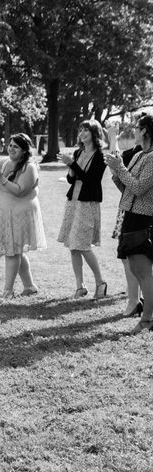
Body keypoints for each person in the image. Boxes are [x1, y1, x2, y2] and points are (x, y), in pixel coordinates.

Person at [105, 113, 153, 333]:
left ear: (144, 130)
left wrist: (120, 169)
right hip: (129, 215)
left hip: (143, 219)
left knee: (143, 271)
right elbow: (125, 186)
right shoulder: (139, 155)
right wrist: (116, 169)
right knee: (135, 267)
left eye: (137, 127)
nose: (134, 131)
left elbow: (140, 188)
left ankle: (147, 320)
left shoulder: (152, 157)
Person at [0, 133, 46, 300]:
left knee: (13, 252)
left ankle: (8, 291)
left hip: (21, 213)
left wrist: (2, 179)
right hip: (4, 211)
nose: (11, 148)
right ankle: (29, 286)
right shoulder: (4, 162)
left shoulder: (29, 167)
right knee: (15, 250)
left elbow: (20, 191)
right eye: (10, 145)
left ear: (24, 150)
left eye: (16, 146)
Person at [56, 119, 108, 299]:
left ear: (95, 134)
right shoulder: (78, 152)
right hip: (74, 202)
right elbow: (72, 179)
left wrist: (72, 164)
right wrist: (70, 167)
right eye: (81, 130)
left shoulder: (101, 155)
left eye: (86, 130)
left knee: (83, 245)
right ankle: (80, 287)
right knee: (73, 246)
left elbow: (91, 179)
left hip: (88, 204)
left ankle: (100, 282)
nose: (82, 133)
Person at [108, 125, 143, 316]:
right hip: (127, 209)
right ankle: (134, 298)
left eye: (139, 127)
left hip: (142, 213)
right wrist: (112, 138)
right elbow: (115, 165)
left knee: (138, 259)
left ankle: (136, 300)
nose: (135, 130)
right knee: (126, 257)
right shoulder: (135, 152)